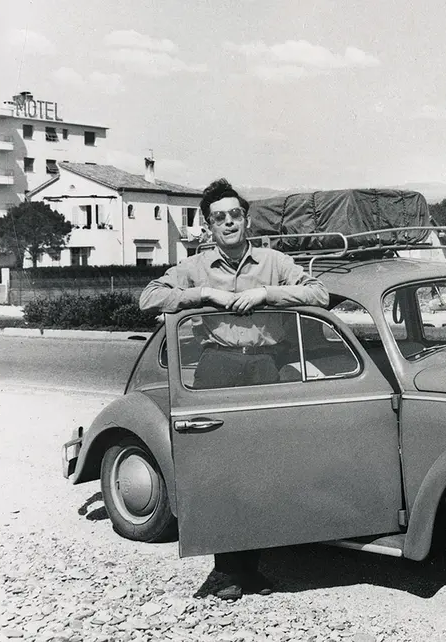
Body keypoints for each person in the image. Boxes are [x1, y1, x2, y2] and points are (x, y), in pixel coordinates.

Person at [139, 178, 329, 601]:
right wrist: (203, 293)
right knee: (218, 471)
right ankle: (226, 571)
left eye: (235, 215)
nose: (228, 223)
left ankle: (254, 568)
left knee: (263, 466)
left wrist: (266, 293)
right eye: (219, 218)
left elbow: (320, 292)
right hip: (218, 368)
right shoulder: (197, 267)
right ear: (208, 226)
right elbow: (148, 299)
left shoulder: (273, 261)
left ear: (246, 219)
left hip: (266, 367)